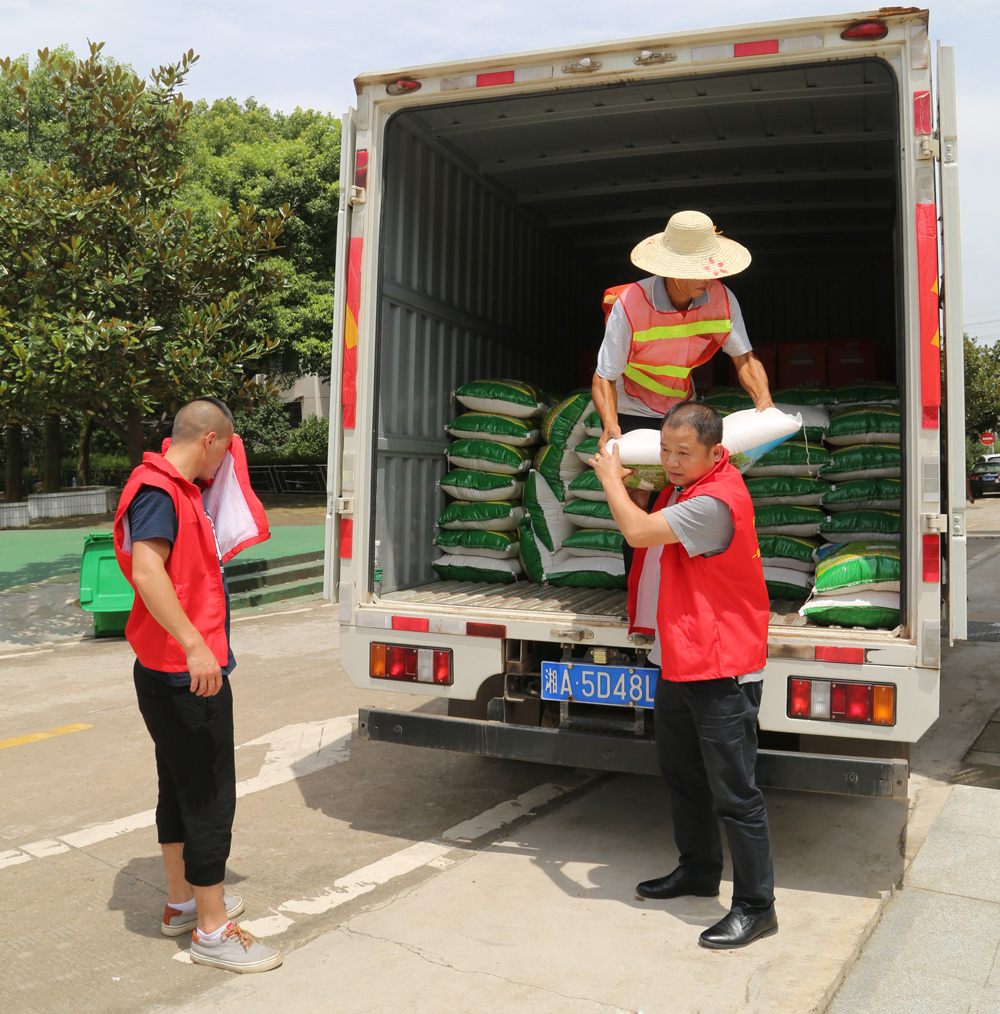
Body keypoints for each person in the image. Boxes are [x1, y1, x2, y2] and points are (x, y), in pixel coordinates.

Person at [590, 400, 777, 950]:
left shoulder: (714, 502)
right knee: (683, 776)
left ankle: (756, 907)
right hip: (679, 656)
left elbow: (637, 533)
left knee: (735, 794)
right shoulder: (684, 488)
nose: (670, 462)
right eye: (665, 450)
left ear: (716, 454)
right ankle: (698, 869)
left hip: (721, 665)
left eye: (682, 453)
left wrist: (610, 478)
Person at [113, 397, 282, 974]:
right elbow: (147, 570)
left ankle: (182, 902)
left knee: (179, 785)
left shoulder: (173, 488)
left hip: (165, 668)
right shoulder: (160, 491)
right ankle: (212, 930)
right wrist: (193, 644)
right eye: (226, 450)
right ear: (209, 440)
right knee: (210, 797)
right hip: (186, 674)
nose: (225, 465)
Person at [592, 210, 773, 460]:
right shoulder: (630, 304)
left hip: (682, 406)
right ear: (673, 269)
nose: (707, 276)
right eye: (697, 269)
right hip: (631, 407)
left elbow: (745, 359)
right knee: (637, 478)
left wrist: (765, 403)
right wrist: (611, 424)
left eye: (708, 266)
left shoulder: (722, 299)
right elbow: (604, 376)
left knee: (685, 473)